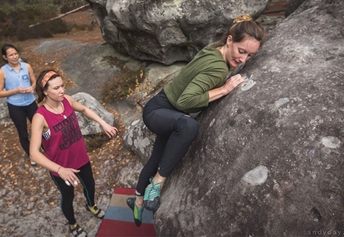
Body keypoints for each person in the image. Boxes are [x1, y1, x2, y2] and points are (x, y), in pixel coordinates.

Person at [126, 14, 265, 226]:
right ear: (229, 40)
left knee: (156, 158)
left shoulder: (214, 49)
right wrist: (224, 89)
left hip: (163, 109)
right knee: (189, 126)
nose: (243, 60)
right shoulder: (219, 68)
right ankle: (156, 184)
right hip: (161, 111)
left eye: (250, 56)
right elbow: (186, 101)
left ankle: (137, 200)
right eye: (241, 51)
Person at [30, 70, 118, 237]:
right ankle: (73, 224)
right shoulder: (40, 117)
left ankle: (91, 205)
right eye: (56, 88)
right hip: (61, 167)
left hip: (81, 158)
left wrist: (103, 123)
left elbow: (84, 109)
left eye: (62, 86)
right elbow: (34, 153)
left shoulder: (67, 100)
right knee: (68, 196)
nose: (62, 90)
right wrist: (60, 170)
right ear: (45, 91)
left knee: (90, 185)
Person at [0, 44, 38, 165]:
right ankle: (32, 155)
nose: (14, 57)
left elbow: (34, 81)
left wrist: (32, 87)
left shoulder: (26, 66)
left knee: (40, 128)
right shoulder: (1, 72)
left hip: (30, 103)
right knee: (23, 133)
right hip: (15, 106)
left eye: (15, 54)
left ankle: (49, 150)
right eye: (11, 55)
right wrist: (16, 91)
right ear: (5, 57)